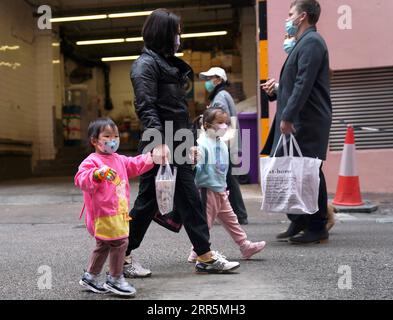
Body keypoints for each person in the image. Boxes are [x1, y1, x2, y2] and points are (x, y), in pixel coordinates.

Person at [124, 8, 240, 277]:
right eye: (176, 32)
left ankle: (205, 255)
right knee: (146, 204)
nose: (179, 37)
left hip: (177, 142)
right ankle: (123, 253)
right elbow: (145, 105)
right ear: (164, 33)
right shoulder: (145, 65)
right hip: (161, 144)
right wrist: (157, 142)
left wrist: (189, 142)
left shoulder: (167, 63)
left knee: (189, 199)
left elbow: (176, 110)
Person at [261, 0, 332, 244]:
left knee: (310, 172)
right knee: (295, 170)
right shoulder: (303, 43)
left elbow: (304, 84)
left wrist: (288, 115)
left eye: (290, 14)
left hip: (308, 120)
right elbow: (296, 84)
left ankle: (318, 225)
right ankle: (299, 220)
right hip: (300, 118)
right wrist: (277, 89)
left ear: (302, 16)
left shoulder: (311, 42)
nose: (287, 18)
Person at [75, 117, 163, 296]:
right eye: (107, 136)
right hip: (104, 214)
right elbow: (80, 179)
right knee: (120, 242)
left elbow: (135, 164)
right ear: (94, 140)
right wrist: (97, 174)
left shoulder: (118, 159)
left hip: (118, 212)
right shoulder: (92, 161)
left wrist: (151, 157)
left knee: (104, 245)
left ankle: (90, 276)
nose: (113, 139)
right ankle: (115, 278)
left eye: (116, 135)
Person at [187, 107, 266, 263]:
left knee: (232, 220)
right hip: (207, 191)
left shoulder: (221, 144)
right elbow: (198, 168)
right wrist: (194, 161)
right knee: (205, 224)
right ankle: (196, 252)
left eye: (226, 123)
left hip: (221, 191)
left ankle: (245, 246)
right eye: (220, 122)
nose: (224, 126)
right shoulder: (201, 144)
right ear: (207, 125)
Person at [199, 67, 249, 225]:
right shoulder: (224, 94)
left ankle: (238, 214)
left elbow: (222, 120)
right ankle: (236, 213)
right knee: (228, 177)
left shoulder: (220, 97)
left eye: (210, 78)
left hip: (224, 142)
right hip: (229, 141)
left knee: (226, 177)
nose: (207, 82)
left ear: (219, 79)